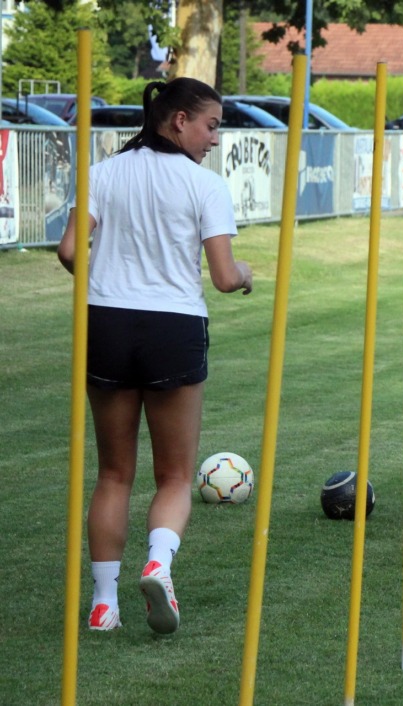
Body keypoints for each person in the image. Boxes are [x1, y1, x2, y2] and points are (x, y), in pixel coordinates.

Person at [57, 78, 253, 634]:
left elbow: (71, 251)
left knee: (114, 473)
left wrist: (109, 286)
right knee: (174, 475)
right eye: (211, 125)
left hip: (107, 322)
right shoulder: (202, 185)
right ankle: (157, 564)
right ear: (178, 121)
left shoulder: (104, 171)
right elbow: (221, 275)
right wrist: (245, 279)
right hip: (174, 324)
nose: (215, 138)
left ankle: (102, 604)